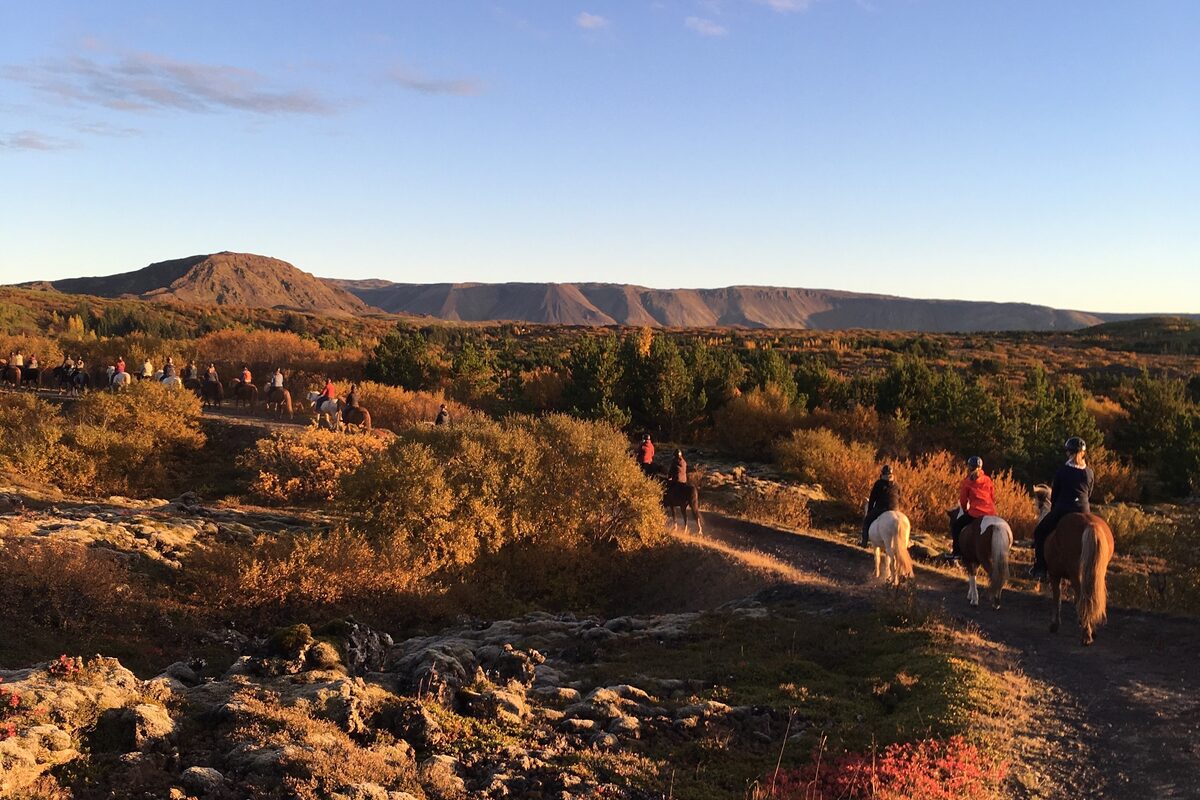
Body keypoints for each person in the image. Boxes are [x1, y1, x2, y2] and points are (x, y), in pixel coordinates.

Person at [1029, 437, 1094, 578]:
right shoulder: (1089, 472)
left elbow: (1055, 495)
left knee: (1039, 532)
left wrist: (1055, 507)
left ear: (1068, 453)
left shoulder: (1062, 471)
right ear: (1083, 453)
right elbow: (1089, 493)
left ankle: (1040, 567)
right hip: (1084, 510)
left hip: (1063, 509)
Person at [947, 456, 996, 559]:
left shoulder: (968, 481)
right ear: (981, 467)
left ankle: (957, 553)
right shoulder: (988, 479)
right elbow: (992, 496)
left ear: (969, 467)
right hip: (991, 512)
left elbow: (963, 500)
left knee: (956, 526)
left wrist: (965, 510)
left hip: (976, 513)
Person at [862, 465, 901, 547]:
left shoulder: (878, 483)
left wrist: (869, 512)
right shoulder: (897, 484)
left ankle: (864, 543)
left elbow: (872, 499)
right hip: (895, 509)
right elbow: (900, 498)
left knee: (866, 522)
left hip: (882, 508)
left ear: (882, 473)